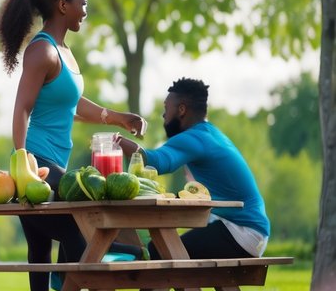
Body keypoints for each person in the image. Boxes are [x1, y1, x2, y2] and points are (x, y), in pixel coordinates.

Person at [0, 0, 145, 291]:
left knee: (43, 243)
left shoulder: (64, 53)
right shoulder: (41, 51)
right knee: (82, 230)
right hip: (37, 159)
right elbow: (22, 109)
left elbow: (72, 103)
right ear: (63, 6)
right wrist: (21, 161)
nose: (85, 11)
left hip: (53, 159)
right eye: (83, 4)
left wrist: (117, 117)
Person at [116, 78, 270, 258]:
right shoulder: (209, 134)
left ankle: (104, 256)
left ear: (181, 109)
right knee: (162, 250)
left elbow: (155, 162)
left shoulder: (196, 138)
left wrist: (116, 140)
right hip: (245, 231)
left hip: (241, 231)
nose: (164, 116)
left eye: (167, 109)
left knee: (159, 252)